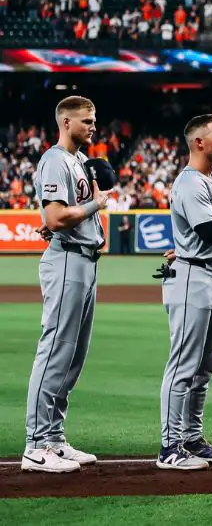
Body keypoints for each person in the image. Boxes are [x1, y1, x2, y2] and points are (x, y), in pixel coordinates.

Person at [22, 96, 111, 474]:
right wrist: (98, 204)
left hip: (85, 261)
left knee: (73, 357)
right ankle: (35, 444)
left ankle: (54, 439)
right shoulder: (55, 159)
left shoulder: (77, 161)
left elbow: (56, 218)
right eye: (86, 120)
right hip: (67, 260)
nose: (93, 126)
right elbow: (57, 218)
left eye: (94, 120)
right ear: (66, 122)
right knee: (55, 350)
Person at [158, 114, 212, 471]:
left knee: (204, 368)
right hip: (193, 278)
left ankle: (192, 438)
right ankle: (170, 446)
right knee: (184, 366)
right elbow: (209, 230)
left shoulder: (207, 182)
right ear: (198, 143)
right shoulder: (190, 182)